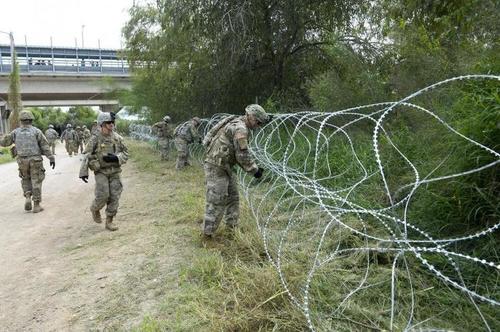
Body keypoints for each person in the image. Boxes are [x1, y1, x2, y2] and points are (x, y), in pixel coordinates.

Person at [202, 104, 269, 237]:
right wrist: (254, 171)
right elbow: (242, 155)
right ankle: (207, 235)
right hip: (216, 166)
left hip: (225, 166)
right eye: (257, 121)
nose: (258, 125)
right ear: (249, 116)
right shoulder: (240, 129)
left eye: (261, 123)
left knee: (233, 197)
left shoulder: (235, 121)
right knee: (217, 200)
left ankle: (231, 229)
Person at [79, 112, 128, 231]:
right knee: (103, 195)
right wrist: (83, 172)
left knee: (114, 196)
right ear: (102, 124)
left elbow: (126, 153)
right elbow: (86, 155)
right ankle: (95, 208)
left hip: (115, 171)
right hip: (101, 171)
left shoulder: (117, 138)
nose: (111, 125)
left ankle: (109, 221)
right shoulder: (95, 139)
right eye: (108, 123)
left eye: (112, 122)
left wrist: (116, 158)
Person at [0, 110, 55, 213]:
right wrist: (51, 158)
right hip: (35, 160)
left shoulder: (15, 132)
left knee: (25, 179)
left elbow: (4, 142)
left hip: (22, 160)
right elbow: (45, 146)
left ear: (21, 120)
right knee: (36, 180)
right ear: (31, 120)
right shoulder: (36, 131)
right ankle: (37, 205)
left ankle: (28, 196)